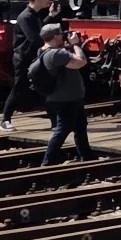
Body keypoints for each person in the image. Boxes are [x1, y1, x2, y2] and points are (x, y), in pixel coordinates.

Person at [35, 23, 93, 165]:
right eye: (61, 34)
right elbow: (81, 62)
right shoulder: (57, 53)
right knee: (63, 128)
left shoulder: (43, 50)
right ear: (54, 37)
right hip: (66, 97)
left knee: (80, 126)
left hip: (69, 96)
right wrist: (75, 45)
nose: (63, 35)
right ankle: (48, 161)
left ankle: (87, 157)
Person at [0, 0, 54, 129]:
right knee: (19, 88)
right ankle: (5, 120)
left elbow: (40, 30)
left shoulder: (34, 15)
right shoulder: (25, 17)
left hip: (32, 56)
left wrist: (51, 16)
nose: (48, 1)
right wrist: (50, 44)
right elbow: (34, 38)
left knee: (44, 86)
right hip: (23, 57)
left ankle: (55, 121)